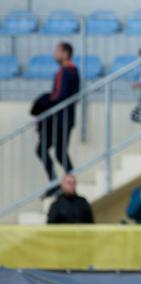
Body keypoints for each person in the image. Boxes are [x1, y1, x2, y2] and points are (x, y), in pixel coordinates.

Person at [35, 42, 80, 195]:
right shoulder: (74, 71)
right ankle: (68, 182)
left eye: (57, 51)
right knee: (60, 152)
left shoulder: (65, 72)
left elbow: (58, 96)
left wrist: (43, 107)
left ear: (65, 53)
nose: (55, 54)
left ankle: (56, 183)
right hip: (67, 118)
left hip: (59, 120)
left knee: (41, 149)